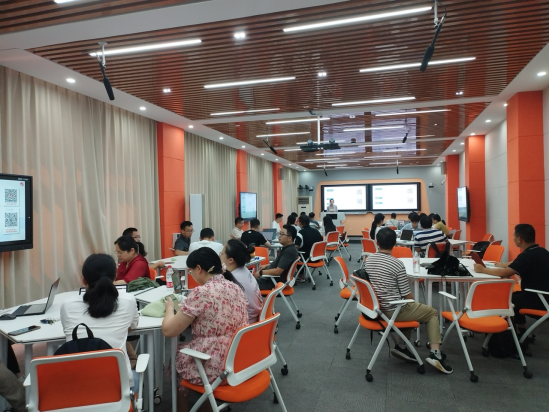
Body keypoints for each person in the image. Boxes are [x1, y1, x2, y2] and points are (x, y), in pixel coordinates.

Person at [161, 248, 248, 411]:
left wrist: (170, 308)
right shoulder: (235, 287)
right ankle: (207, 405)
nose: (192, 275)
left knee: (180, 356)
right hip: (238, 356)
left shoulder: (201, 292)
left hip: (216, 362)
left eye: (191, 271)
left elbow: (168, 331)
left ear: (199, 269)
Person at [364, 228, 453, 374]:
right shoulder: (397, 264)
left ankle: (402, 346)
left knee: (410, 307)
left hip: (375, 308)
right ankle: (436, 354)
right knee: (430, 312)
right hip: (391, 310)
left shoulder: (369, 260)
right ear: (395, 243)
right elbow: (407, 296)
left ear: (376, 242)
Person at [60, 254, 140, 390]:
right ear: (115, 278)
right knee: (135, 377)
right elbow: (132, 326)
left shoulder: (67, 305)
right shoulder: (128, 300)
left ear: (83, 280)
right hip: (118, 387)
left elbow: (68, 331)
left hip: (76, 388)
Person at [473, 224, 549, 338]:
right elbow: (518, 262)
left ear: (519, 239)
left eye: (513, 236)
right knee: (514, 297)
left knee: (506, 299)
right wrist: (504, 264)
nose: (512, 238)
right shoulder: (542, 252)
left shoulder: (526, 256)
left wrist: (483, 269)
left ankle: (507, 334)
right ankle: (521, 330)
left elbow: (506, 273)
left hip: (538, 301)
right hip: (544, 296)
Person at [221, 240, 262, 324]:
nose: (220, 256)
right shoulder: (243, 270)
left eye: (221, 254)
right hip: (255, 315)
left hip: (246, 322)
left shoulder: (233, 279)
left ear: (230, 260)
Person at [256, 225, 299, 290]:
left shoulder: (289, 251)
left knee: (245, 284)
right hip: (272, 279)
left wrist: (261, 272)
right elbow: (281, 264)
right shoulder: (288, 248)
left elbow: (278, 272)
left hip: (274, 283)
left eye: (282, 234)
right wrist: (268, 265)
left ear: (290, 238)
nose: (279, 236)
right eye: (279, 234)